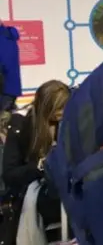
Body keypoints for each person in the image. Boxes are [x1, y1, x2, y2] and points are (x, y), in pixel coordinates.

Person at [2, 80, 70, 244]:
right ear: (46, 108)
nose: (62, 113)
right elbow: (10, 174)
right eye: (58, 109)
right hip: (36, 191)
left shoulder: (70, 123)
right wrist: (39, 167)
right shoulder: (21, 127)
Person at [0, 22, 21, 112]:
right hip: (12, 88)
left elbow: (3, 64)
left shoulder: (2, 39)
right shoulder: (9, 36)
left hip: (3, 90)